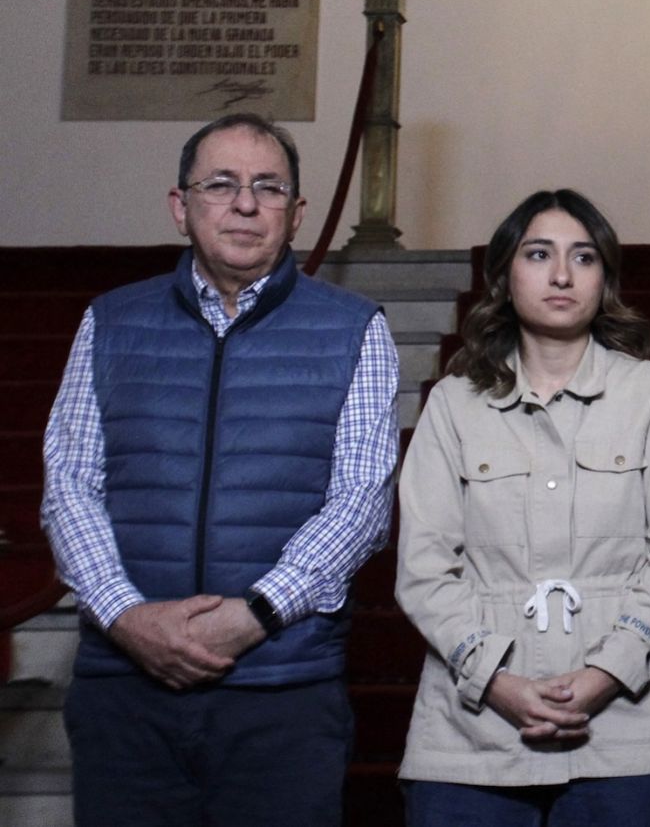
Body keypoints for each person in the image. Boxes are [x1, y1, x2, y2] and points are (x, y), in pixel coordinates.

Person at [39, 112, 398, 826]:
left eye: (268, 187)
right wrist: (126, 615)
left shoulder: (355, 327)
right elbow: (69, 483)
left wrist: (254, 614)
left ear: (296, 215)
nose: (244, 203)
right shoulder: (109, 321)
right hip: (126, 693)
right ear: (181, 206)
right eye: (221, 184)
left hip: (283, 692)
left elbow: (360, 503)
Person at [395, 189, 650, 825]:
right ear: (503, 276)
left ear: (606, 278)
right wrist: (497, 680)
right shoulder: (454, 403)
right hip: (472, 731)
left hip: (628, 729)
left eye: (584, 257)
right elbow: (425, 566)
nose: (562, 274)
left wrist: (605, 672)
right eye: (539, 254)